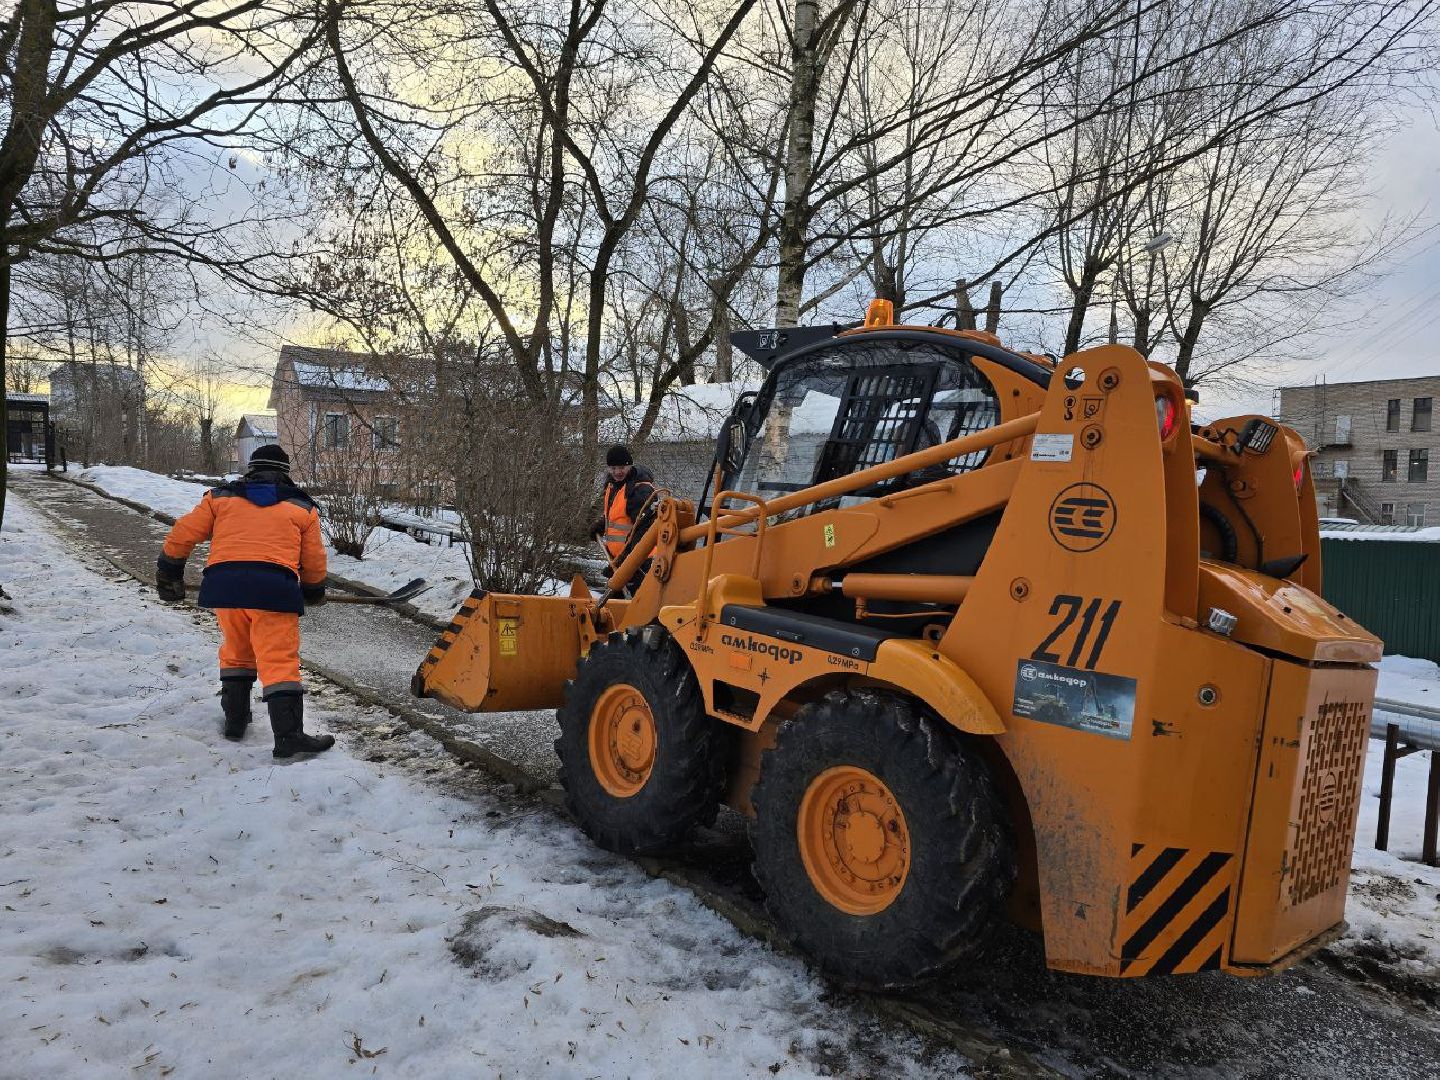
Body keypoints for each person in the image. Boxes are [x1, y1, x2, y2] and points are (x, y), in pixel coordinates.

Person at [155, 444, 336, 759]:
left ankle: (235, 722)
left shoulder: (220, 498)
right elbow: (314, 560)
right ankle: (289, 738)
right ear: (285, 472)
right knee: (278, 660)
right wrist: (312, 590)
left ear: (250, 469)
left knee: (237, 652)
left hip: (225, 587)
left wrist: (168, 572)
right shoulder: (301, 507)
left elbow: (183, 532)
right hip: (274, 590)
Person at [589, 444, 657, 595]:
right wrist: (601, 525)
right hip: (619, 559)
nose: (617, 472)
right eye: (613, 468)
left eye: (621, 467)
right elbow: (616, 514)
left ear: (629, 466)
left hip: (637, 561)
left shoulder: (639, 490)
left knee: (632, 605)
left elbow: (643, 530)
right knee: (615, 603)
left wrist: (625, 560)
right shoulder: (613, 485)